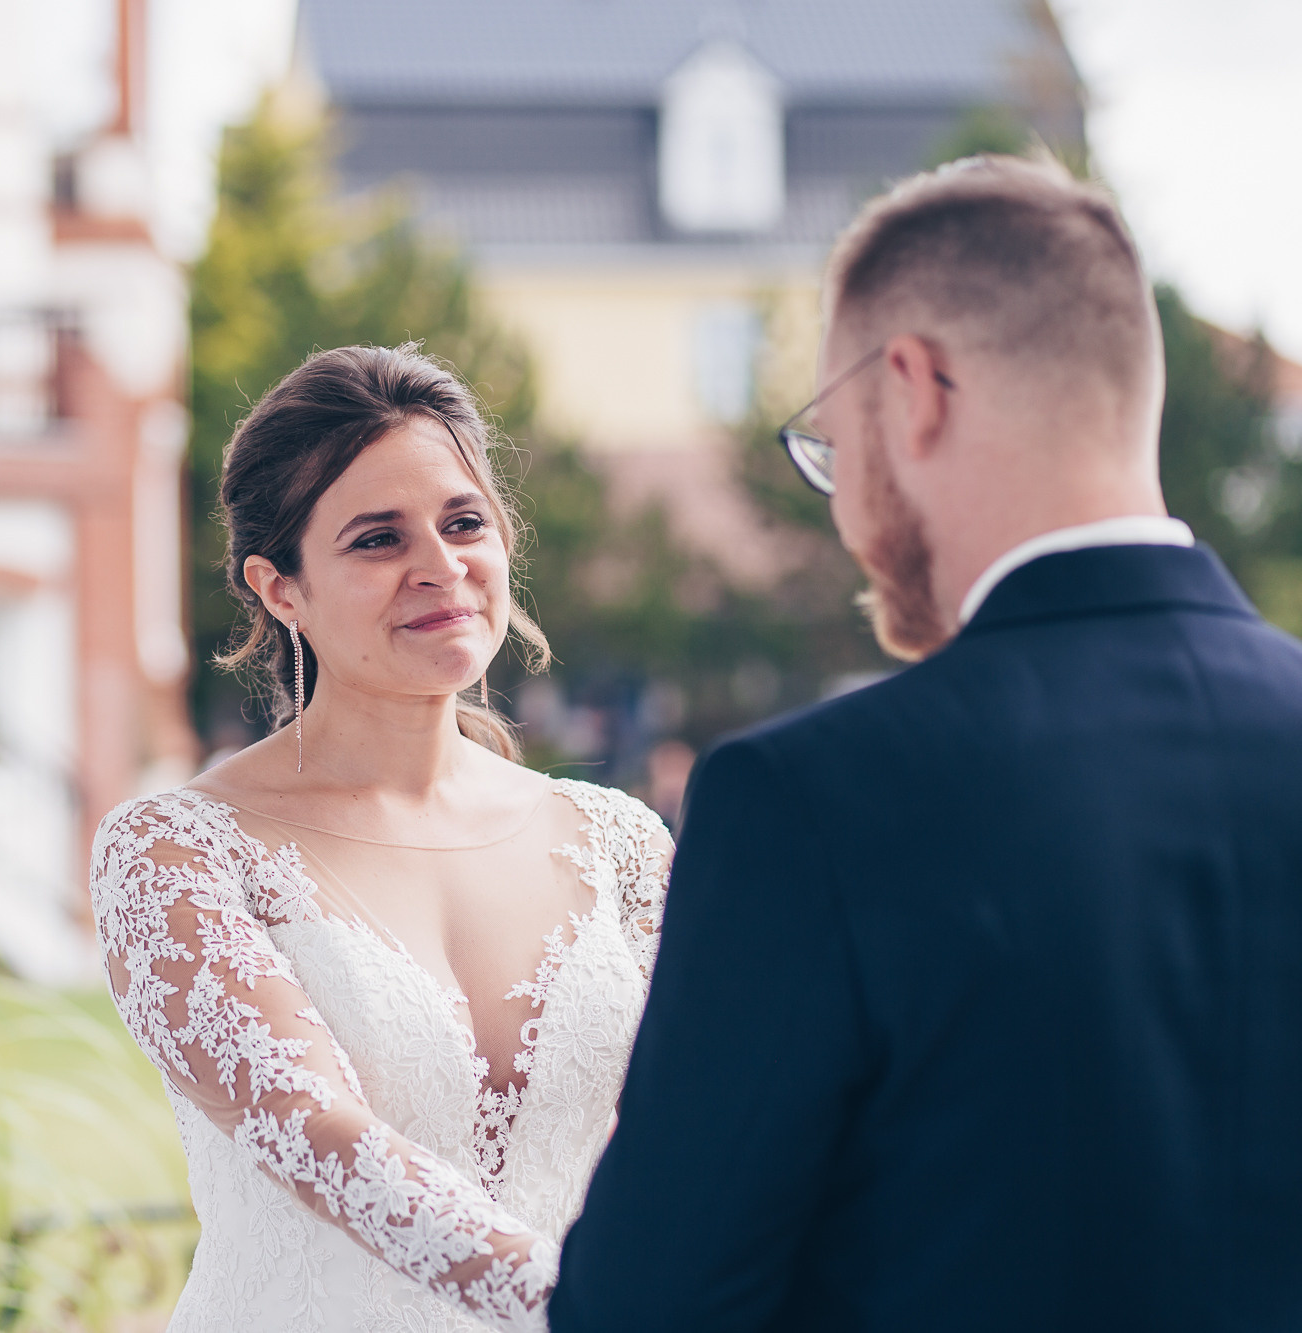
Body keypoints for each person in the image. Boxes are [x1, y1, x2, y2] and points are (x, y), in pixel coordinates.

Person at [551, 155, 1302, 1331]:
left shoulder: (801, 801)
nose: (841, 506)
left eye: (830, 448)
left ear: (911, 392)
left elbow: (646, 1308)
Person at [90, 345, 673, 1332]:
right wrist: (586, 1305)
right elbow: (317, 1133)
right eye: (376, 539)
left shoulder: (617, 842)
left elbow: (708, 1126)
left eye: (462, 522)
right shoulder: (176, 851)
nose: (439, 567)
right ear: (280, 589)